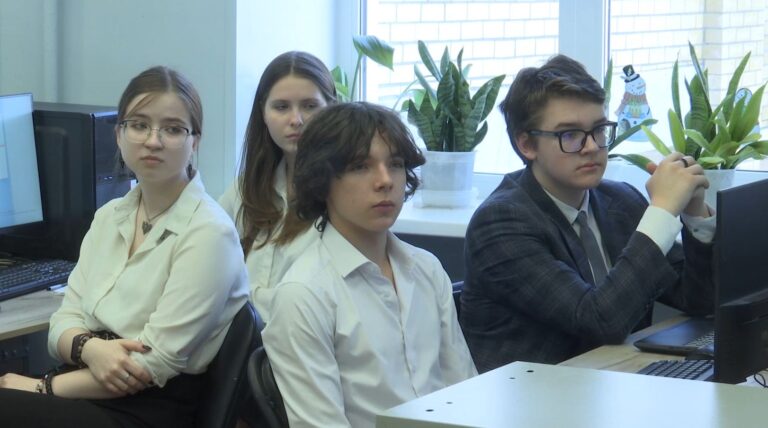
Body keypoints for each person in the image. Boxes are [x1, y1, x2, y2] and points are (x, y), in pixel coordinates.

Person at [0, 66, 249, 427]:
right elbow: (61, 324)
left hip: (148, 407)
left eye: (173, 129)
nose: (153, 140)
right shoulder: (109, 217)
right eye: (139, 125)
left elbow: (152, 364)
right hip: (85, 382)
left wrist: (42, 387)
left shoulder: (209, 233)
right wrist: (91, 349)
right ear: (119, 134)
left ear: (195, 141)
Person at [460, 55, 716, 372]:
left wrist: (694, 212)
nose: (592, 146)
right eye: (570, 134)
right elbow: (600, 321)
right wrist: (662, 211)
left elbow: (700, 301)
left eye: (599, 130)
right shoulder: (500, 223)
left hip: (617, 381)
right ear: (527, 144)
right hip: (537, 394)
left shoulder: (620, 200)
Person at [263, 102, 477, 428]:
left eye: (395, 164)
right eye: (360, 166)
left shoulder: (427, 269)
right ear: (322, 180)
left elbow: (466, 391)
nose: (385, 180)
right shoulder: (303, 293)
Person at [218, 51, 336, 321]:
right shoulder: (245, 189)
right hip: (243, 340)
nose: (296, 120)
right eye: (281, 107)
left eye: (310, 106)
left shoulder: (344, 194)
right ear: (263, 112)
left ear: (332, 109)